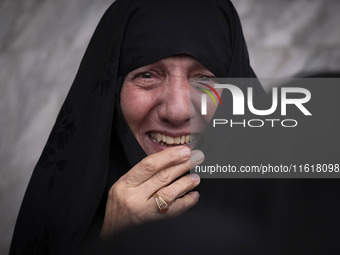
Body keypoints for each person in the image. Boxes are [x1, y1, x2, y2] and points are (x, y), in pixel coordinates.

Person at [11, 0, 340, 254]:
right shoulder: (58, 213)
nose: (178, 111)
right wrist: (110, 240)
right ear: (110, 91)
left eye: (205, 79)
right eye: (147, 75)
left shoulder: (297, 204)